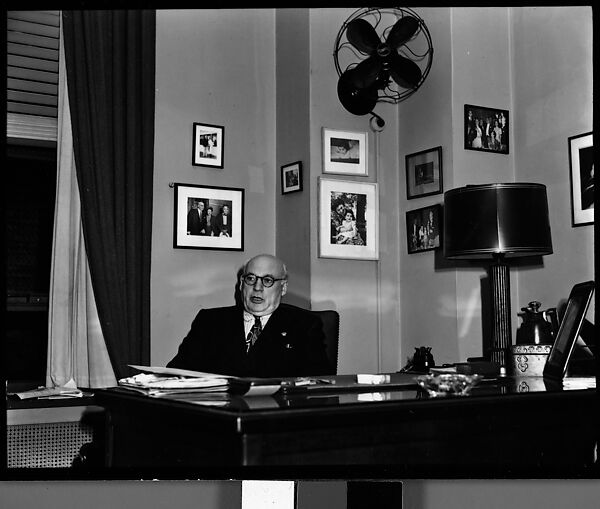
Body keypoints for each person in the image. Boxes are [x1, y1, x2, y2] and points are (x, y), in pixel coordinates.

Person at [167, 254, 332, 377]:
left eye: (267, 280)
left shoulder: (304, 326)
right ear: (241, 284)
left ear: (283, 288)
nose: (257, 287)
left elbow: (318, 382)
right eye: (250, 279)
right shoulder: (210, 321)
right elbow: (177, 372)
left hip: (276, 416)